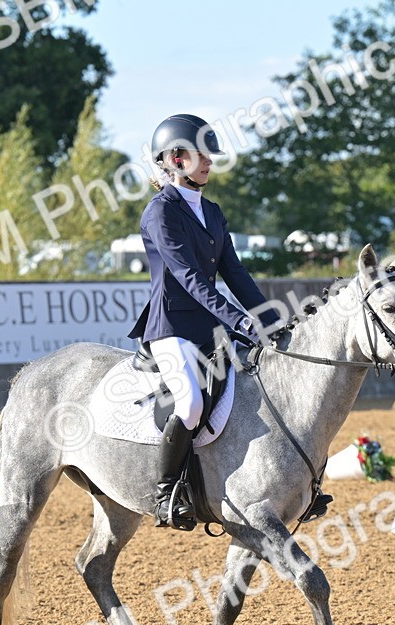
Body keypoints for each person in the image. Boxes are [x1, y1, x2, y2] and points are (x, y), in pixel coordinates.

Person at [127, 113, 281, 530]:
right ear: (176, 159)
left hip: (211, 328)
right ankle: (165, 493)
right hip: (172, 327)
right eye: (202, 155)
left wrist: (268, 319)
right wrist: (240, 323)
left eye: (210, 155)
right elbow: (192, 279)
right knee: (191, 403)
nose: (210, 162)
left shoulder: (212, 212)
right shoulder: (160, 213)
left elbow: (235, 273)